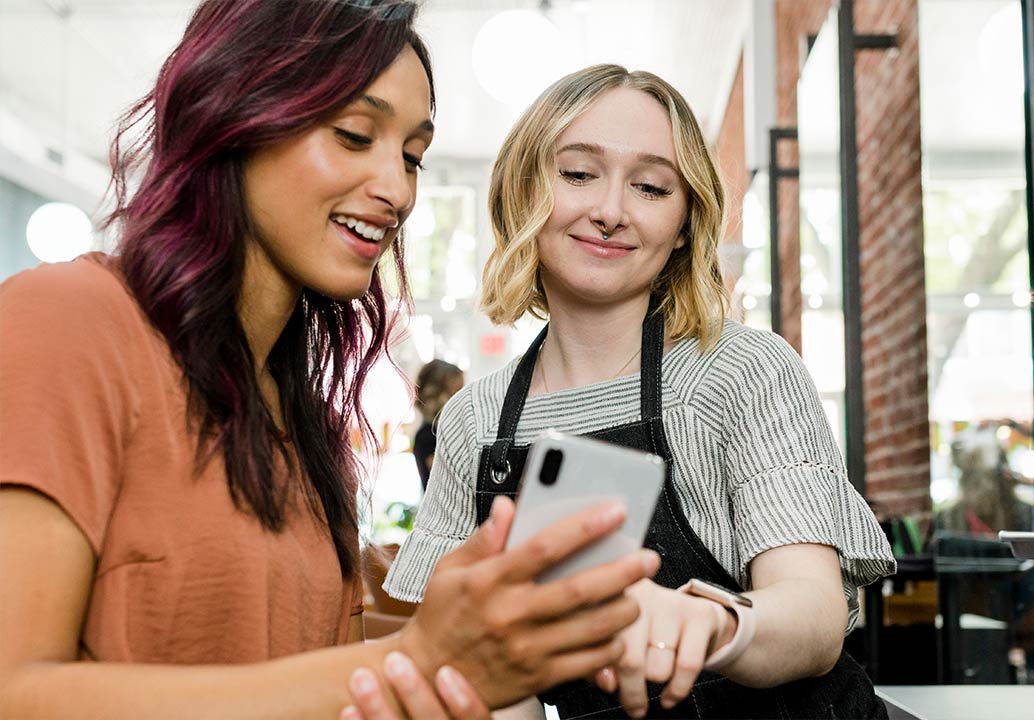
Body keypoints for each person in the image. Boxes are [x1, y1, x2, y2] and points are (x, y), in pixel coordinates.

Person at [0, 3, 660, 718]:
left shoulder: (301, 419)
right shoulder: (70, 320)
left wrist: (461, 628)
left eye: (411, 155)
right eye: (353, 135)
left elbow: (318, 678)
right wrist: (409, 657)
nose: (398, 190)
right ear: (236, 115)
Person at [383, 64, 897, 719]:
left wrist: (711, 623)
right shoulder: (475, 423)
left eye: (651, 187)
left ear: (684, 223)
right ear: (523, 192)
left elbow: (815, 617)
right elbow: (485, 674)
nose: (610, 211)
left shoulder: (743, 373)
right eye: (577, 174)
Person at [413, 359, 465, 488]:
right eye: (457, 392)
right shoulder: (428, 436)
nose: (463, 399)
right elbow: (450, 481)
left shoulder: (441, 431)